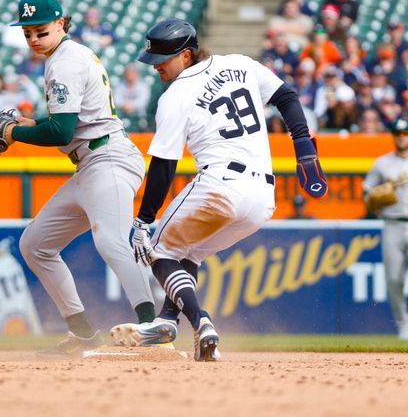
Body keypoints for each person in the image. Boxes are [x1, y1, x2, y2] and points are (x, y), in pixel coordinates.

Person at [109, 18, 327, 361]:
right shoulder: (239, 64)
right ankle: (167, 321)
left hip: (220, 186)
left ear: (186, 55)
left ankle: (201, 322)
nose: (157, 68)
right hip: (261, 200)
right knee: (189, 254)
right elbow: (286, 97)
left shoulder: (175, 96)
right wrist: (303, 144)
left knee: (159, 250)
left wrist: (143, 220)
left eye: (163, 61)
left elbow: (164, 166)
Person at [0, 0, 156, 356]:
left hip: (107, 157)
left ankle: (153, 327)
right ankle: (82, 334)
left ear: (62, 23)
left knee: (110, 241)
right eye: (27, 33)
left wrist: (12, 132)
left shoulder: (64, 62)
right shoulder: (65, 55)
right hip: (91, 162)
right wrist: (30, 124)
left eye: (40, 31)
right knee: (35, 245)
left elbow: (60, 132)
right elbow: (68, 122)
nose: (33, 39)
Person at [363, 117, 408, 340]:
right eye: (398, 133)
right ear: (393, 136)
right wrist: (378, 195)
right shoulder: (383, 163)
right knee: (393, 278)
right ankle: (403, 326)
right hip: (393, 224)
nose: (402, 137)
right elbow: (367, 193)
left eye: (405, 133)